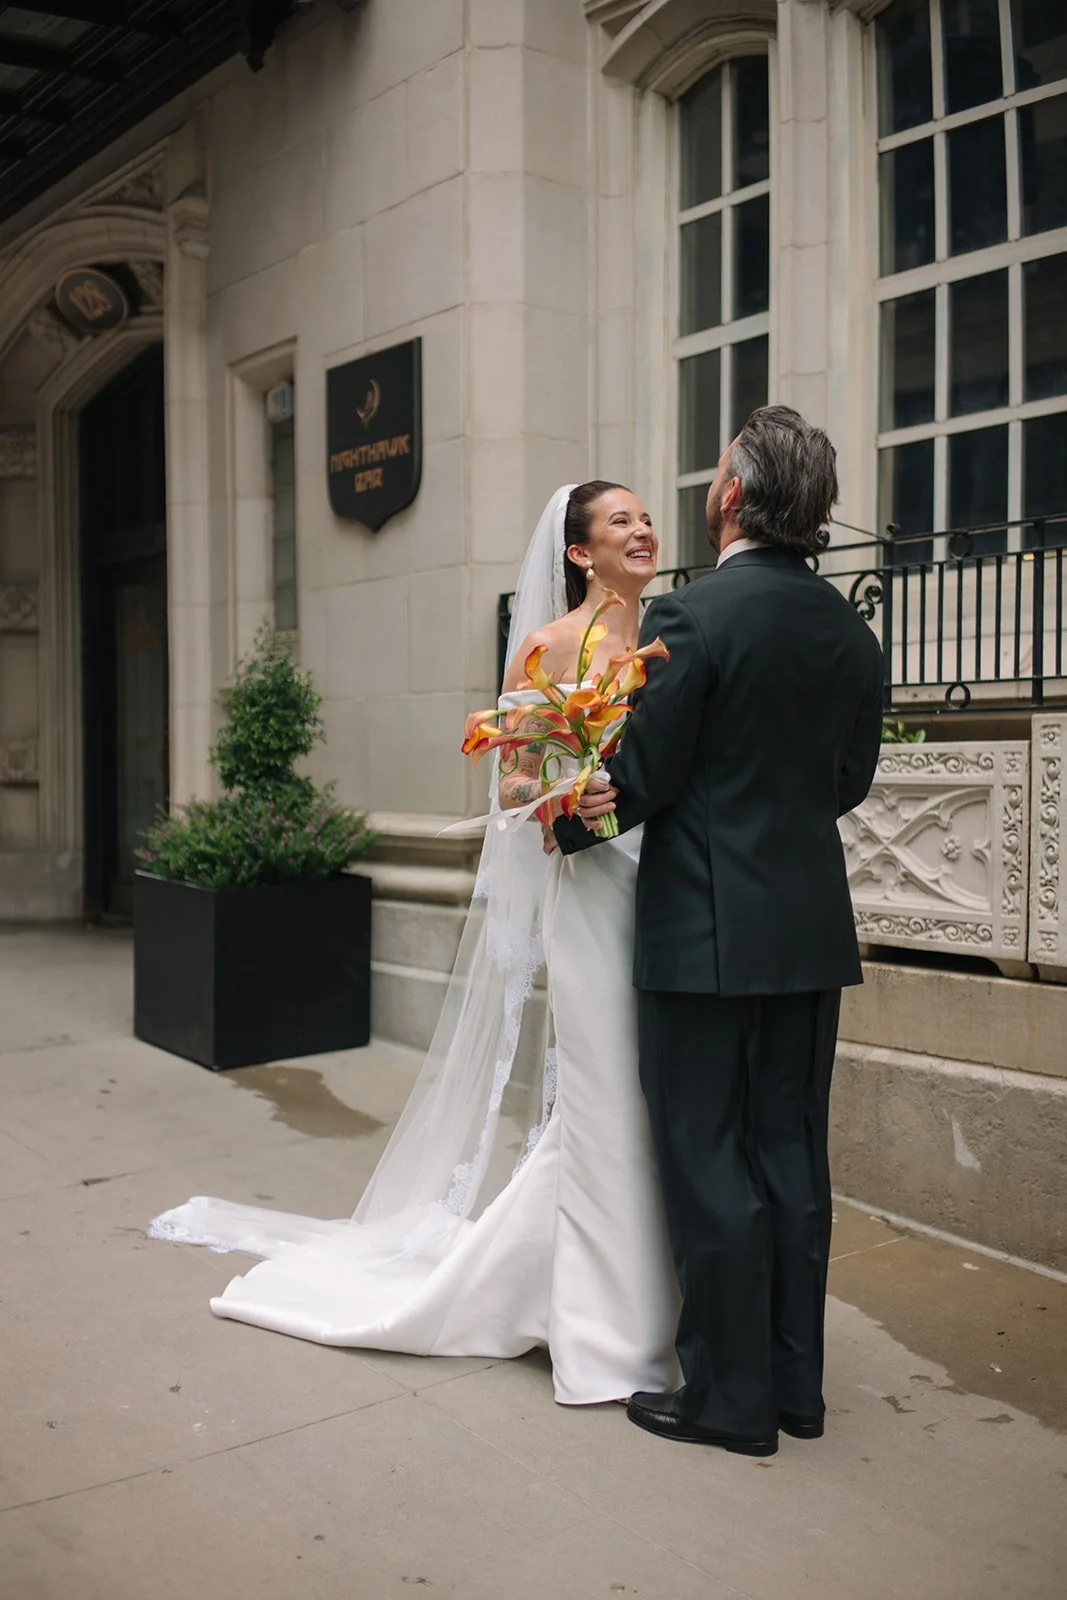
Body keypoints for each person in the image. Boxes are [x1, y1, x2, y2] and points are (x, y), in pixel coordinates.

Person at [149, 482, 680, 1408]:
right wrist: (570, 795)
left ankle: (637, 1298)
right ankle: (597, 1327)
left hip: (667, 884)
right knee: (601, 1093)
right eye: (620, 522)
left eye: (644, 518)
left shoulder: (675, 636)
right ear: (578, 552)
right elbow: (511, 791)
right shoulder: (549, 648)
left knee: (657, 1089)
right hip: (594, 887)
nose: (642, 530)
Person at [555, 407, 885, 1458]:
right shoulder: (849, 630)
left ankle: (727, 1401)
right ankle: (794, 1387)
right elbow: (847, 781)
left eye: (712, 473)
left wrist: (559, 818)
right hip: (806, 930)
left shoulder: (697, 619)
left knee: (706, 1157)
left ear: (734, 496)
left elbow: (641, 780)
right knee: (789, 1152)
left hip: (701, 931)